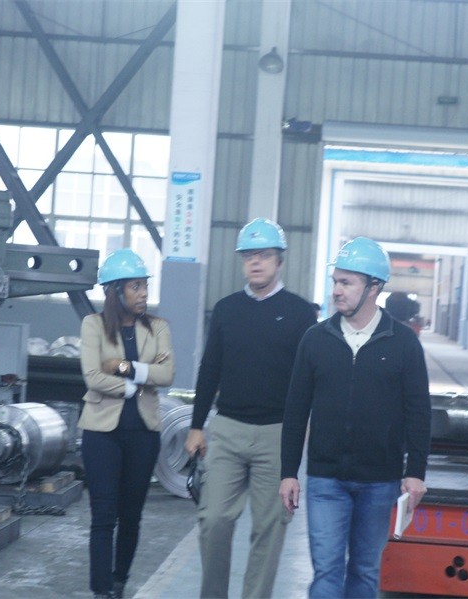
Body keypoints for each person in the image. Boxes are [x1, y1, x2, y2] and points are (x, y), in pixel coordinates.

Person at [279, 236, 432, 599]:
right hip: (326, 479)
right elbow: (296, 409)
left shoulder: (402, 343)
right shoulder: (316, 339)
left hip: (379, 481)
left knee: (364, 571)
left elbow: (418, 411)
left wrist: (415, 472)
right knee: (327, 572)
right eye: (336, 281)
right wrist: (289, 471)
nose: (337, 290)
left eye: (346, 282)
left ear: (373, 287)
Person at [184, 218, 318, 599]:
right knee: (213, 519)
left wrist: (304, 428)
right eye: (249, 256)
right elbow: (210, 368)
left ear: (279, 261)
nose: (255, 263)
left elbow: (307, 379)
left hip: (277, 435)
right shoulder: (226, 309)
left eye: (264, 255)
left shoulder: (300, 313)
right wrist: (196, 426)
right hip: (227, 429)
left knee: (270, 526)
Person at [78, 248, 175, 599]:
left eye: (145, 286)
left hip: (143, 434)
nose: (144, 293)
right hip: (101, 434)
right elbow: (93, 376)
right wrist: (135, 384)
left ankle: (119, 581)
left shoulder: (157, 327)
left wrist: (124, 367)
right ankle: (101, 591)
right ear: (115, 291)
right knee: (104, 515)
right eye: (136, 287)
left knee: (131, 515)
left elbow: (167, 374)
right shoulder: (93, 325)